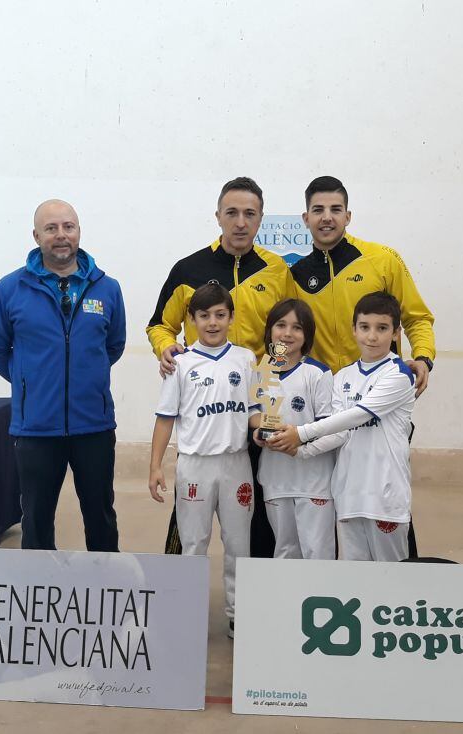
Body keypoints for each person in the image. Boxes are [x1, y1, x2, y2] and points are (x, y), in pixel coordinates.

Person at [147, 177, 296, 557]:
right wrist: (167, 348)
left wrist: (269, 376)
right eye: (232, 213)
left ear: (261, 219)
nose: (240, 222)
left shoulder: (277, 270)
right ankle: (178, 589)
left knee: (254, 508)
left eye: (250, 214)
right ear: (218, 216)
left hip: (259, 399)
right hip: (204, 413)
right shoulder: (188, 268)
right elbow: (159, 324)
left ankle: (246, 599)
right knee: (188, 517)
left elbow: (287, 327)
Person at [290, 175, 435, 557]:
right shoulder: (295, 275)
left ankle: (401, 592)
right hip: (327, 408)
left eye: (335, 210)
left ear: (348, 215)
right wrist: (270, 389)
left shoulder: (382, 260)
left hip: (381, 407)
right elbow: (283, 335)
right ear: (305, 218)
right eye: (318, 210)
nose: (327, 218)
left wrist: (423, 357)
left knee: (389, 505)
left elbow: (417, 317)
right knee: (334, 509)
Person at [0, 199, 126, 551]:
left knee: (100, 514)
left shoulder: (107, 288)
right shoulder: (9, 289)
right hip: (36, 429)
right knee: (36, 518)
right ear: (36, 235)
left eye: (68, 227)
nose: (61, 236)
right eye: (51, 228)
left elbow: (114, 345)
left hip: (93, 425)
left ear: (78, 231)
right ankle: (38, 594)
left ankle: (106, 585)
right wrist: (30, 382)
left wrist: (83, 380)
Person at [269, 292, 416, 562]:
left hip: (385, 497)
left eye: (382, 328)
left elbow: (356, 416)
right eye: (365, 327)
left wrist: (300, 434)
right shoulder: (343, 376)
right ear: (354, 330)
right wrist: (298, 451)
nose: (372, 336)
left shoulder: (399, 374)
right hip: (348, 495)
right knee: (353, 584)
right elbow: (337, 433)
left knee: (393, 581)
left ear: (396, 333)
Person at [148, 283, 259, 637]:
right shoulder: (179, 363)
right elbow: (165, 417)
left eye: (220, 315)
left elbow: (257, 410)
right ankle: (190, 611)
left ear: (231, 317)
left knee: (239, 543)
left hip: (236, 464)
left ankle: (239, 613)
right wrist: (155, 466)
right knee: (194, 543)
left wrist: (268, 431)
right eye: (204, 316)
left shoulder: (246, 359)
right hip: (194, 464)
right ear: (191, 320)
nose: (212, 322)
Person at [252, 299, 335, 559]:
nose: (287, 333)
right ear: (270, 331)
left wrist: (296, 437)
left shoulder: (318, 373)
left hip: (314, 481)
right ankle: (286, 601)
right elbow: (253, 414)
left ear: (307, 334)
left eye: (297, 328)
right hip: (276, 478)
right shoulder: (262, 371)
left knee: (316, 552)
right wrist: (261, 431)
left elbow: (327, 424)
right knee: (285, 550)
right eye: (281, 325)